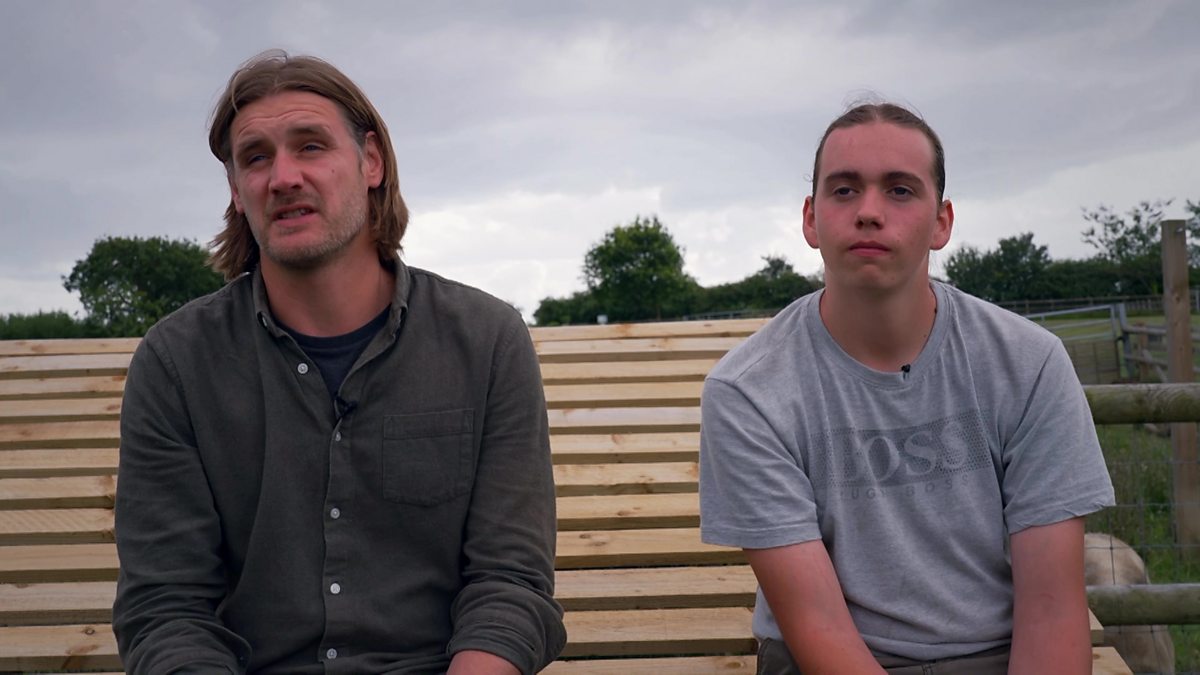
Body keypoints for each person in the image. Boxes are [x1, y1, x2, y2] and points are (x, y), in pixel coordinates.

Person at [113, 51, 565, 675]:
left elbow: (509, 582)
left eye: (311, 146)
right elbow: (167, 608)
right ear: (237, 191)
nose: (283, 177)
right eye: (256, 158)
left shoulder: (487, 342)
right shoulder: (175, 364)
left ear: (371, 161)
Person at [698, 102, 1115, 674]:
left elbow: (1051, 611)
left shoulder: (1029, 363)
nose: (869, 212)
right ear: (811, 219)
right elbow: (816, 625)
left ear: (941, 222)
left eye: (899, 190)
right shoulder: (748, 392)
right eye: (844, 190)